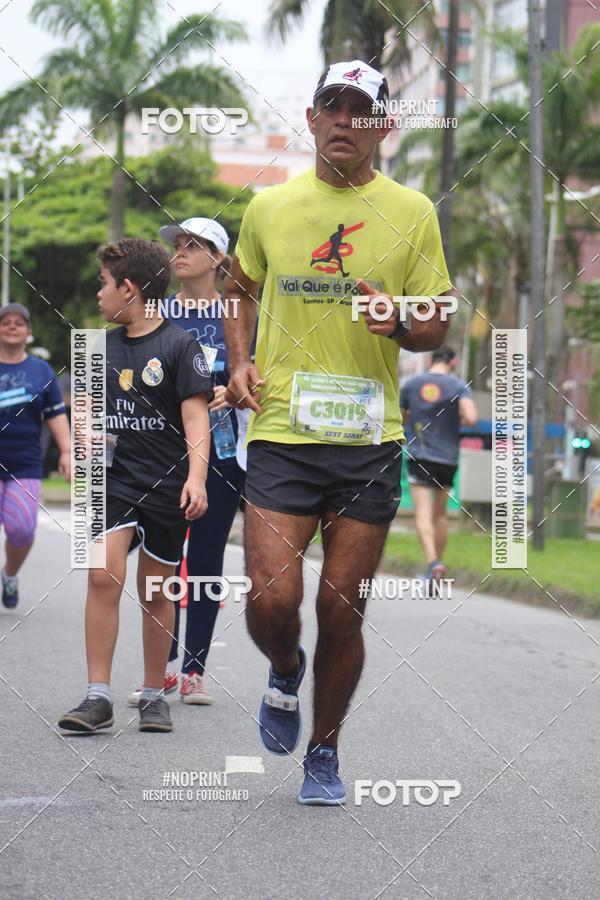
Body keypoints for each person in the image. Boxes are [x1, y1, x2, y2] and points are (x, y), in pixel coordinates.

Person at [223, 60, 453, 805]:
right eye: (334, 106)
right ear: (313, 117)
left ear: (383, 126)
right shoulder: (268, 208)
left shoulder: (413, 210)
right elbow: (239, 291)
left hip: (368, 437)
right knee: (270, 597)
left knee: (341, 604)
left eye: (362, 110)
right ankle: (284, 667)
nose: (346, 121)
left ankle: (323, 751)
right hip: (284, 429)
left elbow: (436, 319)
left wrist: (401, 319)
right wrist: (236, 362)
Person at [59, 238, 212, 735]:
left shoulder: (180, 346)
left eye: (104, 284)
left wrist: (196, 478)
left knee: (155, 589)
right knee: (102, 576)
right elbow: (81, 413)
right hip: (109, 483)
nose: (98, 294)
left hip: (168, 483)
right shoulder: (93, 345)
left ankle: (153, 695)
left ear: (128, 288)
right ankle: (96, 696)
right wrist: (83, 440)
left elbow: (196, 420)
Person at [126, 217, 246, 707]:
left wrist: (234, 390)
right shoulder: (155, 312)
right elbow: (129, 370)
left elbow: (259, 375)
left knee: (204, 559)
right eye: (176, 244)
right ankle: (162, 668)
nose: (180, 252)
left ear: (218, 258)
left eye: (193, 245)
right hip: (160, 452)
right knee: (162, 558)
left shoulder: (238, 315)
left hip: (220, 455)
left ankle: (194, 669)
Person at [0, 303, 71, 609]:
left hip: (25, 465)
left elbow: (55, 414)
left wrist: (67, 450)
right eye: (5, 322)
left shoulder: (41, 371)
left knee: (22, 529)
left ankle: (10, 574)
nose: (12, 326)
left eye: (19, 322)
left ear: (28, 332)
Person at [400, 346, 477, 583]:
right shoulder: (458, 386)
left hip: (420, 454)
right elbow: (472, 418)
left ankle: (433, 563)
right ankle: (436, 569)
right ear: (452, 362)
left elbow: (402, 416)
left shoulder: (412, 384)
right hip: (447, 458)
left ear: (431, 360)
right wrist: (458, 419)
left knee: (422, 512)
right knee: (440, 514)